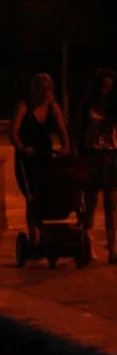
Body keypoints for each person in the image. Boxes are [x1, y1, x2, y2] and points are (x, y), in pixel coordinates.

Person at [11, 73, 69, 246]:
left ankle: (49, 229)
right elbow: (13, 131)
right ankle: (34, 236)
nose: (44, 93)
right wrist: (21, 148)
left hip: (46, 155)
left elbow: (63, 131)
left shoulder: (53, 108)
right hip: (28, 158)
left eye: (48, 89)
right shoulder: (24, 106)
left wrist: (65, 148)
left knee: (49, 191)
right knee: (32, 195)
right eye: (41, 89)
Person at [73, 69, 117, 264]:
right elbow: (77, 131)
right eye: (103, 85)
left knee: (111, 204)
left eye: (109, 86)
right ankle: (84, 241)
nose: (106, 90)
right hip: (92, 157)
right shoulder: (87, 106)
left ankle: (112, 247)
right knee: (90, 204)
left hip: (110, 156)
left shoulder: (114, 107)